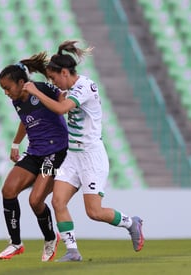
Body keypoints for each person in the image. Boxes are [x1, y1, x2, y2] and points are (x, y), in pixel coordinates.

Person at [23, 40, 144, 262]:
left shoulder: (85, 87)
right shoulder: (68, 88)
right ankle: (72, 251)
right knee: (57, 202)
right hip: (73, 156)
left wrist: (34, 91)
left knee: (94, 212)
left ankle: (131, 222)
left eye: (55, 77)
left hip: (91, 157)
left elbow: (61, 109)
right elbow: (59, 99)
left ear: (66, 72)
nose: (54, 83)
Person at [0, 52, 68, 261]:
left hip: (55, 153)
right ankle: (16, 243)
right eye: (3, 89)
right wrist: (15, 143)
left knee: (35, 200)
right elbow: (26, 121)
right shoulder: (17, 100)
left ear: (21, 82)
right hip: (35, 152)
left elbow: (64, 98)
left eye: (7, 88)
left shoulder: (43, 89)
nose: (6, 93)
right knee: (8, 190)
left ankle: (50, 238)